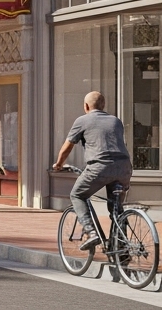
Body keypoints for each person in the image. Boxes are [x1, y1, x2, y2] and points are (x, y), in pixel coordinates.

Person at [53, 91, 132, 250]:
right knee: (116, 208)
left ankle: (92, 232)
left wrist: (59, 164)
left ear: (86, 106)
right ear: (103, 106)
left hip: (99, 167)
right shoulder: (116, 121)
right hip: (124, 167)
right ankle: (121, 250)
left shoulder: (82, 120)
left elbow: (67, 147)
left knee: (77, 195)